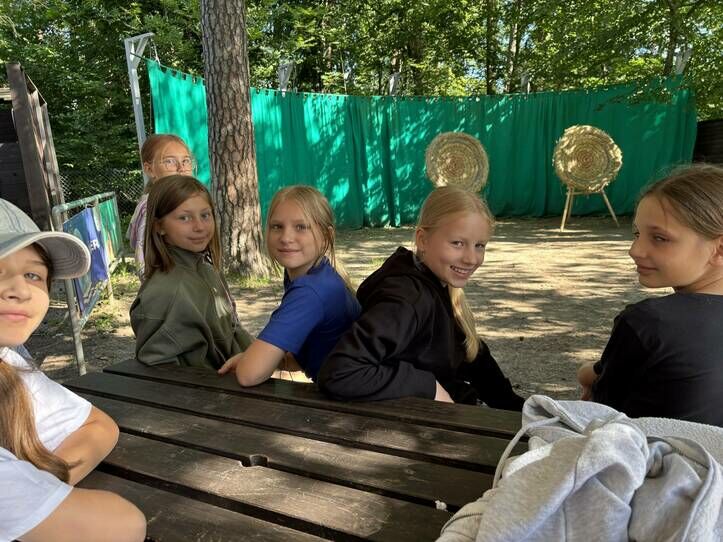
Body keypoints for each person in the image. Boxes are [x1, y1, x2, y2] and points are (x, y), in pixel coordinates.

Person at [0, 198, 146, 542]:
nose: (20, 290)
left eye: (33, 274)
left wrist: (39, 493)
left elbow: (98, 426)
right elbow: (122, 525)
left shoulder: (9, 363)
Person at [317, 185, 524, 409]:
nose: (471, 258)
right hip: (414, 421)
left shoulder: (434, 281)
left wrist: (517, 409)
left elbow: (473, 357)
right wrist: (428, 386)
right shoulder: (405, 300)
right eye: (457, 243)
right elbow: (339, 372)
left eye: (479, 246)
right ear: (423, 240)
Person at [578, 164, 723, 426]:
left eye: (659, 238)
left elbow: (601, 410)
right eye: (637, 233)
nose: (635, 250)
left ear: (719, 248)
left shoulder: (649, 322)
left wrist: (588, 374)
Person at [218, 185, 361, 385]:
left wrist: (249, 362)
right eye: (277, 226)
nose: (286, 238)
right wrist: (259, 359)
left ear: (326, 236)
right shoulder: (320, 274)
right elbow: (310, 356)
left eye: (301, 227)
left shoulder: (311, 291)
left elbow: (248, 375)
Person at [130, 175, 253, 369]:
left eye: (205, 215)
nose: (199, 226)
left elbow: (231, 332)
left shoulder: (206, 268)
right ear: (159, 226)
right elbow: (160, 371)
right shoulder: (165, 292)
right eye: (184, 218)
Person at [127, 133, 195, 279]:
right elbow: (144, 262)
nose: (181, 168)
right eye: (169, 161)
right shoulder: (152, 207)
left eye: (185, 161)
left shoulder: (187, 201)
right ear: (149, 169)